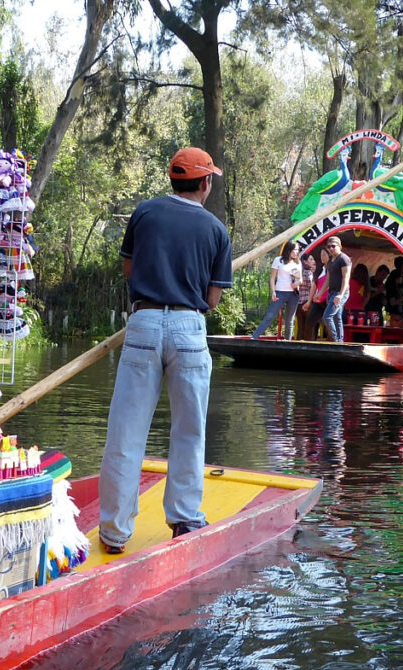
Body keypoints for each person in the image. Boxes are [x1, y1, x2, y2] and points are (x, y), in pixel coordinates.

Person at [99, 147, 231, 554]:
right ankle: (185, 518)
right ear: (205, 182)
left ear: (173, 178)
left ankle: (114, 532)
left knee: (126, 430)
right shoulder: (215, 230)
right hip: (190, 329)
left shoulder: (144, 213)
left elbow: (128, 269)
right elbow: (212, 300)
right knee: (189, 430)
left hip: (143, 321)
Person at [252, 241, 301, 340]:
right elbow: (272, 277)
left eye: (298, 250)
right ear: (289, 249)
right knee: (270, 316)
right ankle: (254, 337)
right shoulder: (278, 260)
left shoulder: (297, 263)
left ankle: (288, 342)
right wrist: (273, 291)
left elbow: (301, 279)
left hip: (293, 294)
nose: (297, 252)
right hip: (280, 292)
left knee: (290, 320)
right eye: (295, 249)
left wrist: (297, 281)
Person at [322, 236, 352, 342]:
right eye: (329, 247)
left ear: (340, 246)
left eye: (333, 246)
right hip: (332, 292)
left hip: (340, 292)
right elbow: (328, 279)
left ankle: (335, 340)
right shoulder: (330, 261)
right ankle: (340, 340)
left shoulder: (344, 259)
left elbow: (346, 278)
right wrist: (320, 293)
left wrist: (340, 294)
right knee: (337, 317)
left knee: (327, 316)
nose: (330, 249)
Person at [300, 249, 329, 340]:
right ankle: (308, 345)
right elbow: (314, 285)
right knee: (309, 323)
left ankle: (333, 344)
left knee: (328, 323)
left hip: (329, 300)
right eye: (321, 254)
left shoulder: (332, 268)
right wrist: (309, 301)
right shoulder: (321, 269)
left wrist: (320, 293)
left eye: (324, 254)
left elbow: (331, 283)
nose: (322, 256)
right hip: (318, 301)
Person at [295, 252, 316, 339]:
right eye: (311, 259)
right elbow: (312, 287)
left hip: (298, 302)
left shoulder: (298, 272)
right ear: (305, 261)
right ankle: (309, 345)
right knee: (309, 326)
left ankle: (298, 344)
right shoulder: (308, 273)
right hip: (307, 302)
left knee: (300, 326)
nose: (313, 261)